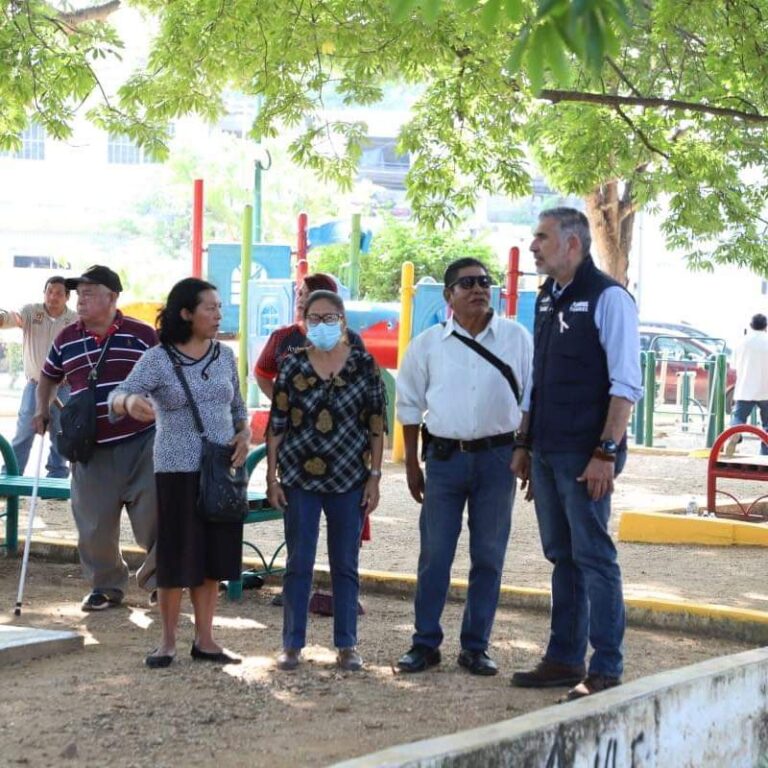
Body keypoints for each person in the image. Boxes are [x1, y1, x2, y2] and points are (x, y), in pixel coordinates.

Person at [510, 208, 642, 701]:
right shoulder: (547, 297)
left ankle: (605, 665)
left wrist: (606, 451)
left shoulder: (609, 298)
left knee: (593, 558)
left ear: (572, 244)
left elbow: (626, 384)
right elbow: (536, 381)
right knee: (561, 556)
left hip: (587, 455)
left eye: (541, 237)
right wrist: (524, 442)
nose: (533, 246)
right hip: (545, 449)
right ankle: (564, 657)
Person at [395, 258, 533, 677]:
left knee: (488, 556)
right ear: (448, 295)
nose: (478, 289)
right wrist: (412, 465)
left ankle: (475, 646)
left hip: (498, 460)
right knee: (435, 554)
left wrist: (525, 450)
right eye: (467, 283)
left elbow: (531, 398)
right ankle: (425, 643)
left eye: (484, 282)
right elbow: (408, 404)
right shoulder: (428, 344)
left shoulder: (516, 337)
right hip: (444, 460)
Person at [109, 278, 250, 668]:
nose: (218, 314)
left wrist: (244, 435)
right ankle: (167, 642)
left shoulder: (224, 356)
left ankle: (206, 640)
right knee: (174, 556)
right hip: (176, 470)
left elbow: (238, 408)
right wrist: (130, 402)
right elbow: (117, 395)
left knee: (214, 558)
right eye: (210, 307)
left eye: (220, 307)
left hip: (221, 470)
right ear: (186, 313)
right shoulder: (158, 358)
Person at [266, 289, 386, 672]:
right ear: (303, 321)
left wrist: (375, 477)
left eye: (328, 318)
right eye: (312, 318)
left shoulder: (365, 366)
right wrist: (272, 476)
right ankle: (292, 644)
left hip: (350, 479)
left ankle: (347, 645)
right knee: (298, 562)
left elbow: (376, 426)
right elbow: (277, 425)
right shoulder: (292, 366)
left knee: (345, 564)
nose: (320, 325)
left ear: (343, 321)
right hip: (299, 478)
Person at [33, 266, 158, 612]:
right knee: (94, 523)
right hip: (89, 446)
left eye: (89, 293)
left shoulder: (143, 335)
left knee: (155, 516)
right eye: (79, 294)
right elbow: (48, 377)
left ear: (112, 297)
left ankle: (162, 583)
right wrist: (41, 409)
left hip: (142, 442)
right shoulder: (66, 338)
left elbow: (166, 377)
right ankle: (105, 585)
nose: (80, 299)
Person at [0, 277, 77, 477]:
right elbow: (13, 318)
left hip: (64, 386)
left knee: (61, 431)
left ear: (67, 297)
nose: (53, 297)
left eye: (59, 293)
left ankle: (57, 477)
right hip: (35, 385)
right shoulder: (31, 312)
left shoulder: (76, 321)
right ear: (44, 293)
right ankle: (11, 475)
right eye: (49, 291)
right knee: (24, 430)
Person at [254, 272, 364, 400]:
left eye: (309, 295)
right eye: (300, 294)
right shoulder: (281, 337)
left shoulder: (350, 339)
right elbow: (262, 374)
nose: (300, 300)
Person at [724, 313, 768, 457]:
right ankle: (764, 455)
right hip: (766, 388)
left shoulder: (741, 342)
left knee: (738, 416)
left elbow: (734, 366)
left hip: (745, 387)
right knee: (767, 425)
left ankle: (735, 433)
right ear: (766, 326)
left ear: (750, 325)